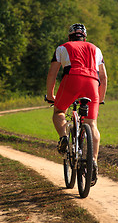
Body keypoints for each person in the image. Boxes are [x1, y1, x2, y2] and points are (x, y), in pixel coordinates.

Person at [46, 23, 107, 186]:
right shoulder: (96, 49)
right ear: (85, 37)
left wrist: (50, 95)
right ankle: (93, 161)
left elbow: (52, 73)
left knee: (59, 112)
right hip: (92, 84)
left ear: (69, 37)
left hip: (71, 80)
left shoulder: (62, 47)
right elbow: (104, 77)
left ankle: (64, 138)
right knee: (92, 124)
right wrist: (100, 99)